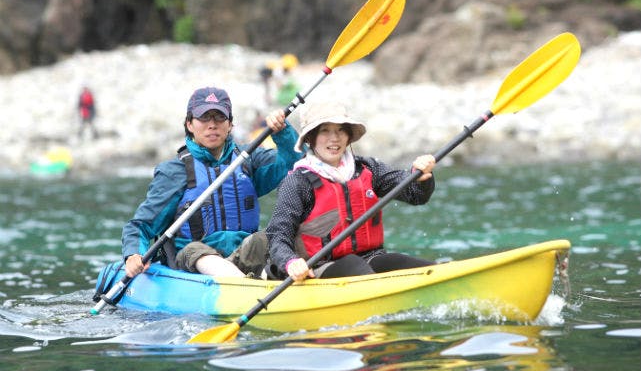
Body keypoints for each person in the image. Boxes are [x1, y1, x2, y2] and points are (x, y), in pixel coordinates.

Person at [122, 86, 303, 279]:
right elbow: (141, 224)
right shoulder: (174, 173)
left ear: (230, 125)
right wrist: (134, 254)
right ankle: (243, 284)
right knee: (196, 250)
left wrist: (283, 132)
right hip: (193, 263)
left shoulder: (248, 160)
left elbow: (295, 162)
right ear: (190, 124)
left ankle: (265, 279)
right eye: (204, 118)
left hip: (243, 255)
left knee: (270, 236)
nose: (212, 125)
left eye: (219, 118)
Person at [265, 100, 437, 281]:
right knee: (354, 266)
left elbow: (415, 194)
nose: (334, 138)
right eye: (325, 130)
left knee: (410, 265)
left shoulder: (368, 169)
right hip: (319, 267)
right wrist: (290, 262)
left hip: (370, 258)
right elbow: (278, 234)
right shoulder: (297, 182)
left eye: (340, 130)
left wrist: (421, 177)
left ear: (348, 136)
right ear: (310, 138)